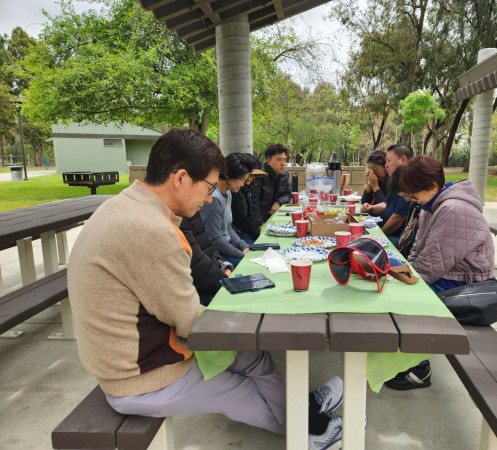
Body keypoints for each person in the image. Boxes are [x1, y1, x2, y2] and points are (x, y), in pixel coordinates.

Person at [67, 127, 345, 446]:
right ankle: (314, 431)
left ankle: (304, 410)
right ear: (181, 178)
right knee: (241, 389)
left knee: (254, 356)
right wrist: (247, 318)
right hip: (139, 376)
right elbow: (190, 322)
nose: (211, 197)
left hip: (133, 353)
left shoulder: (129, 205)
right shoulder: (150, 230)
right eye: (210, 186)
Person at [384, 155, 494, 391]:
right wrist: (402, 272)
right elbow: (417, 252)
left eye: (412, 194)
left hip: (463, 284)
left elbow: (430, 268)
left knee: (401, 302)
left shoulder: (453, 210)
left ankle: (419, 368)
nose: (410, 199)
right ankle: (402, 358)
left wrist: (401, 278)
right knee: (390, 289)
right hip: (445, 273)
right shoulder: (431, 205)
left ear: (433, 186)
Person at [200, 153, 251, 267]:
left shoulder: (228, 193)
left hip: (226, 248)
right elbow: (215, 238)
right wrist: (240, 254)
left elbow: (228, 228)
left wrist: (243, 246)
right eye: (241, 179)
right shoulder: (214, 199)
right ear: (228, 175)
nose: (243, 184)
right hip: (217, 254)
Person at [361, 144, 414, 246]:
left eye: (389, 161)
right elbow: (385, 204)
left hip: (396, 237)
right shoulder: (396, 180)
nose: (386, 166)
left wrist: (379, 236)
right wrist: (371, 208)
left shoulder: (408, 183)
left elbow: (398, 218)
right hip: (383, 229)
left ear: (403, 160)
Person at [179, 211, 233, 306]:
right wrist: (225, 279)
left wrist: (224, 266)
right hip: (198, 292)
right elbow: (197, 266)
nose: (208, 202)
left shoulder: (193, 211)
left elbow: (209, 247)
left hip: (212, 276)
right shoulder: (178, 219)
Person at [232, 153, 267, 245]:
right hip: (239, 236)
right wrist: (257, 235)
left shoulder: (247, 189)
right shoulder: (234, 191)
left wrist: (257, 228)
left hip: (244, 233)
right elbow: (240, 218)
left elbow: (250, 213)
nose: (253, 178)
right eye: (251, 175)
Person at [256, 144, 292, 223]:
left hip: (277, 216)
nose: (283, 163)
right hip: (260, 219)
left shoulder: (285, 174)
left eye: (285, 160)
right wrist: (258, 223)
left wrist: (278, 202)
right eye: (279, 160)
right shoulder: (260, 175)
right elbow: (253, 202)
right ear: (269, 161)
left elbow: (288, 194)